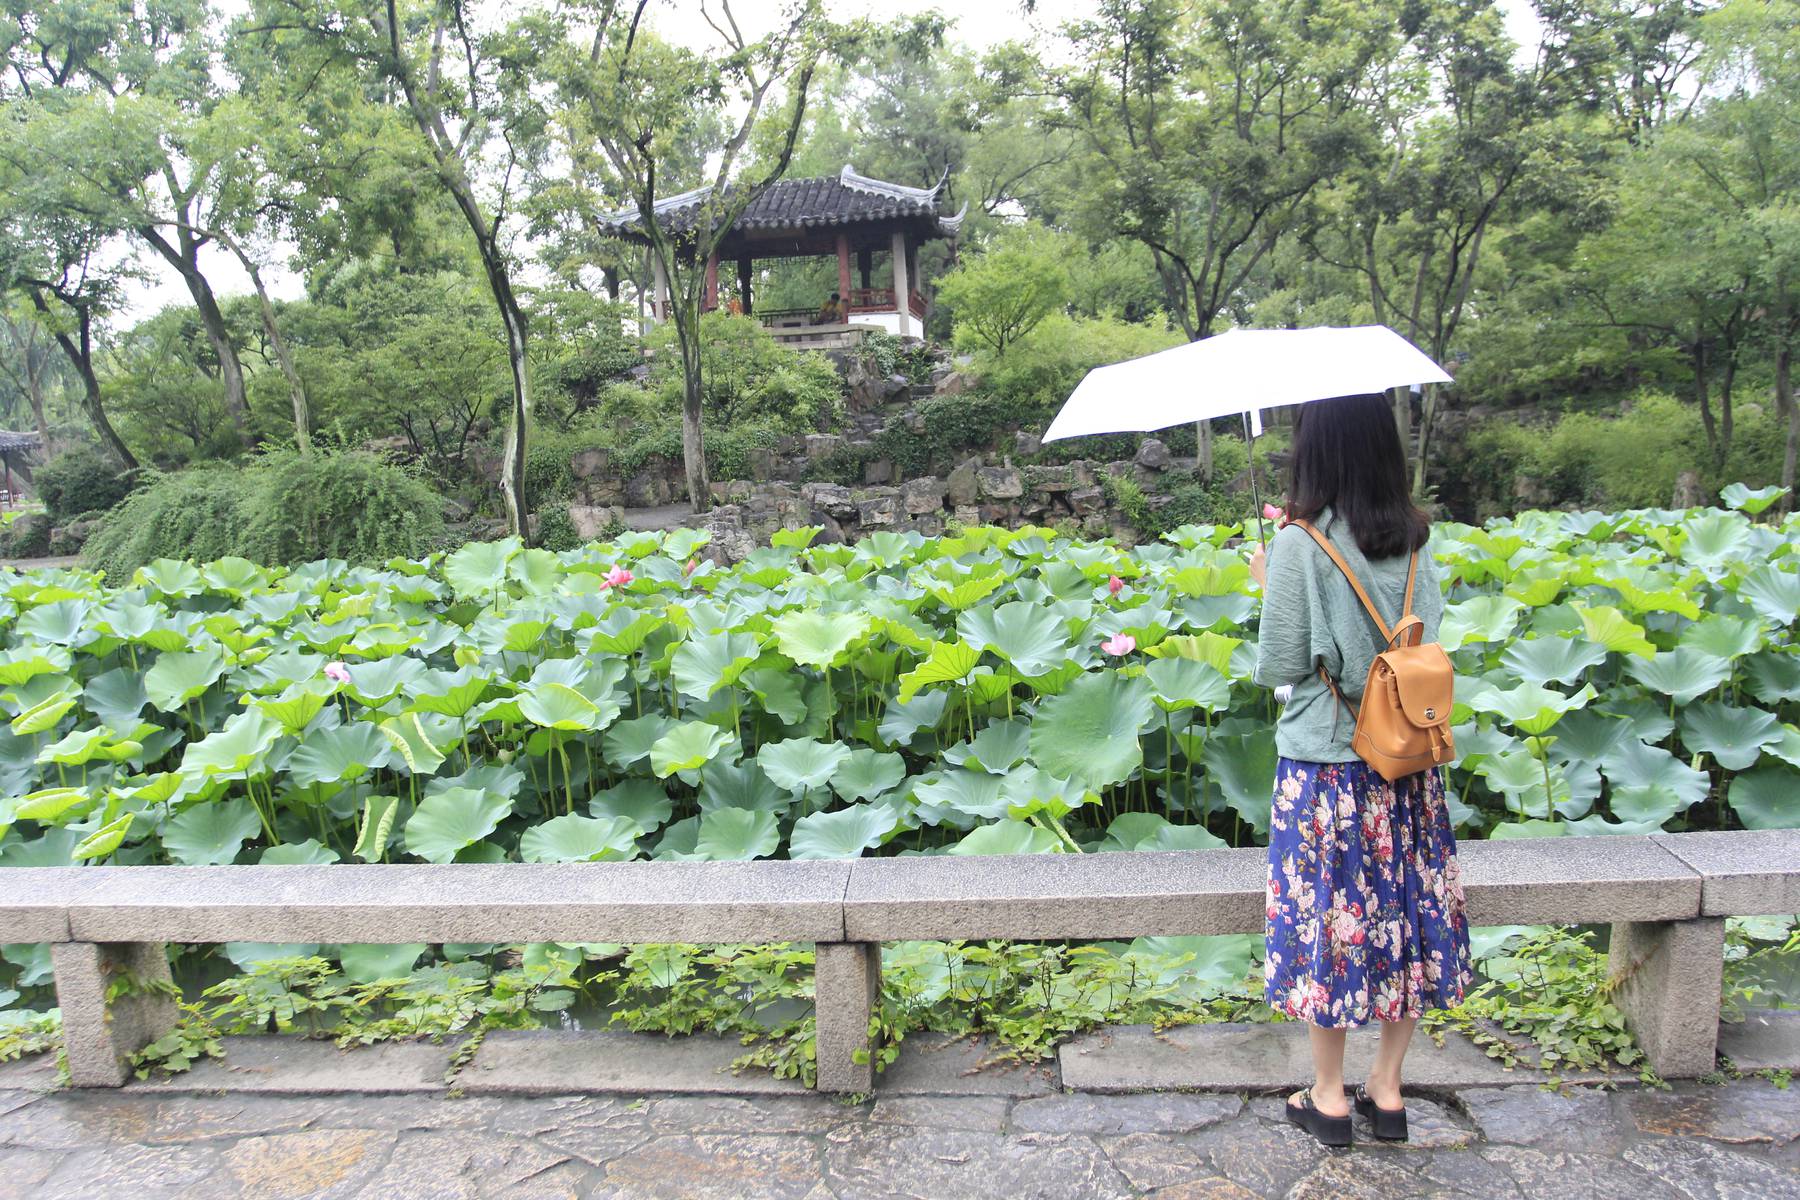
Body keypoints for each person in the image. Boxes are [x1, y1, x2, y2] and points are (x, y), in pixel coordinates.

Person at [1246, 392, 1472, 1148]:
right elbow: (1423, 640)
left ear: (1318, 449)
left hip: (1328, 773)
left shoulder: (1298, 545)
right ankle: (1389, 1087)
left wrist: (1266, 584)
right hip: (1407, 762)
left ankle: (1329, 1097)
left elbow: (1280, 665)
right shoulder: (1415, 538)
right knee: (1406, 918)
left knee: (1331, 928)